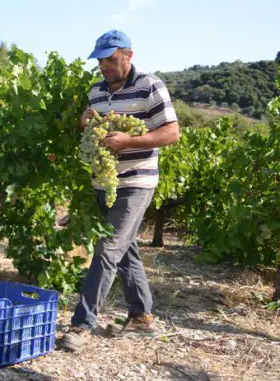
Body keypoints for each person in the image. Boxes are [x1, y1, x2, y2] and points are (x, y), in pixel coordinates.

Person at [58, 30, 181, 351]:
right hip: (106, 181)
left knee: (108, 248)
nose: (105, 67)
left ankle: (82, 324)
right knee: (126, 250)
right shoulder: (96, 91)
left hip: (137, 181)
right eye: (100, 61)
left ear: (129, 54)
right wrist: (87, 122)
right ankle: (141, 318)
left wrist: (130, 141)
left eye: (111, 60)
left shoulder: (150, 86)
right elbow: (98, 129)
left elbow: (171, 133)